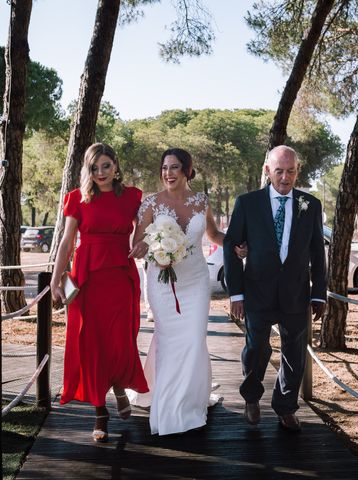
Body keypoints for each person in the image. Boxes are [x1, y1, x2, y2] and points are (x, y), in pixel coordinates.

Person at [130, 148, 245, 436]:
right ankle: (168, 405)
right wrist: (149, 248)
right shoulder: (150, 204)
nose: (168, 173)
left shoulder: (200, 201)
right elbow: (138, 241)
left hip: (194, 281)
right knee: (168, 340)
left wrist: (234, 244)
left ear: (187, 171)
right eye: (165, 167)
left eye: (175, 167)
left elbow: (213, 235)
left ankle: (189, 402)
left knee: (194, 339)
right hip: (162, 283)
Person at [223, 145, 326, 432]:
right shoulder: (247, 203)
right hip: (257, 291)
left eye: (290, 171)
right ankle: (252, 396)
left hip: (295, 293)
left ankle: (286, 407)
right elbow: (232, 248)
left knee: (294, 352)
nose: (285, 177)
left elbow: (318, 252)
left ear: (297, 172)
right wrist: (237, 293)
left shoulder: (311, 205)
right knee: (256, 347)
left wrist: (319, 293)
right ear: (267, 170)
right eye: (279, 171)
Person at [50, 143, 149, 443]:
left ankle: (119, 385)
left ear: (115, 166)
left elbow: (143, 228)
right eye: (94, 168)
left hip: (120, 275)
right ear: (87, 171)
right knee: (91, 342)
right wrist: (56, 280)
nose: (101, 172)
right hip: (87, 278)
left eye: (106, 165)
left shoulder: (132, 196)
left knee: (120, 338)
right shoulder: (76, 199)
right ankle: (99, 412)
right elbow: (67, 242)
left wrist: (142, 242)